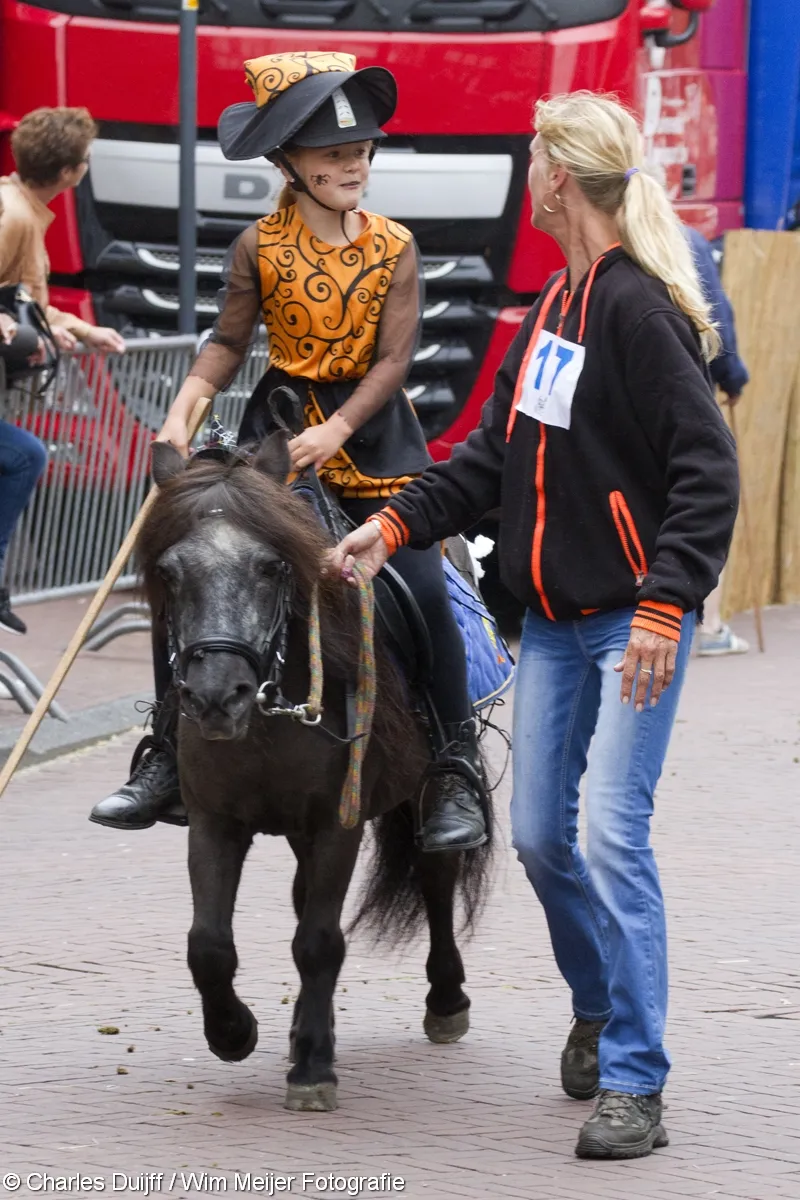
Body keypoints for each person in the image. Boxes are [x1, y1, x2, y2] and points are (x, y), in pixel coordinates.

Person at [330, 92, 739, 1158]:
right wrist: (393, 523)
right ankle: (599, 1004)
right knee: (536, 839)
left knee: (609, 836)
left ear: (558, 176)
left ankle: (635, 1084)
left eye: (530, 154)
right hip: (554, 626)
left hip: (631, 625)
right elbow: (491, 462)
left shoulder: (635, 309)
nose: (522, 167)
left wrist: (664, 599)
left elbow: (707, 470)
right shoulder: (549, 310)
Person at [89, 51, 487, 854]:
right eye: (335, 154)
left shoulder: (395, 246)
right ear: (289, 165)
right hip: (273, 433)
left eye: (363, 151)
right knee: (195, 568)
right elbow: (226, 344)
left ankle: (452, 766)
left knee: (421, 585)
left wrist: (339, 430)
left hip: (376, 440)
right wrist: (180, 414)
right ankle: (166, 753)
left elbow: (394, 362)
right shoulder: (256, 248)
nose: (355, 165)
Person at [0, 106, 126, 356]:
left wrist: (84, 330)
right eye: (85, 160)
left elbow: (27, 304)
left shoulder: (23, 209)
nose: (87, 166)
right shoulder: (15, 216)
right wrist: (27, 331)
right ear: (66, 172)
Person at [684, 225, 750, 656]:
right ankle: (707, 627)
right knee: (702, 501)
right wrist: (734, 377)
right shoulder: (687, 240)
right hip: (689, 395)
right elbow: (715, 316)